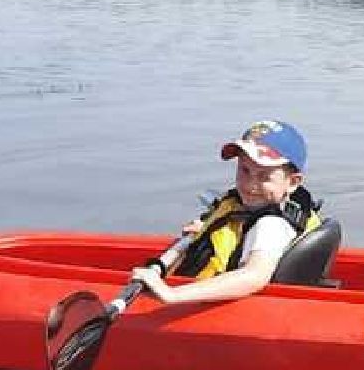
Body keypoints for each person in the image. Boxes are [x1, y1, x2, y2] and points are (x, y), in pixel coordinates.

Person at [130, 120, 322, 305]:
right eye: (245, 170)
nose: (250, 185)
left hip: (227, 314)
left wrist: (170, 294)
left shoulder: (270, 226)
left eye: (264, 176)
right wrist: (207, 231)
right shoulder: (254, 207)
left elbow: (255, 275)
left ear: (293, 182)